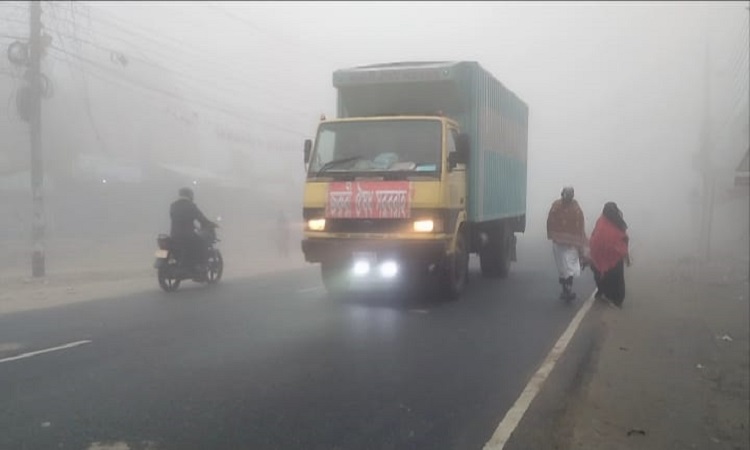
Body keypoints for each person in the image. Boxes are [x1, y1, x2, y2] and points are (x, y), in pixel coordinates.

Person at [547, 186, 587, 301]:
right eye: (566, 194)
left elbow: (580, 225)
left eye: (570, 194)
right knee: (563, 267)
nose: (568, 197)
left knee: (569, 267)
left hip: (571, 245)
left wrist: (579, 241)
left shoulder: (576, 208)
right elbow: (551, 221)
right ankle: (566, 289)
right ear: (562, 194)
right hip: (560, 243)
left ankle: (567, 289)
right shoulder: (556, 206)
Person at [589, 202, 630, 308]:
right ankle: (613, 298)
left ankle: (612, 297)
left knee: (607, 276)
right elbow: (624, 238)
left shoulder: (605, 221)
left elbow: (595, 236)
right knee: (615, 278)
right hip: (612, 255)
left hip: (610, 255)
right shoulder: (613, 221)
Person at [170, 187, 216, 272]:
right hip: (188, 235)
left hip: (174, 235)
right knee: (202, 243)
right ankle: (201, 266)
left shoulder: (173, 205)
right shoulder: (191, 205)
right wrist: (210, 224)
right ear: (190, 195)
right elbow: (201, 218)